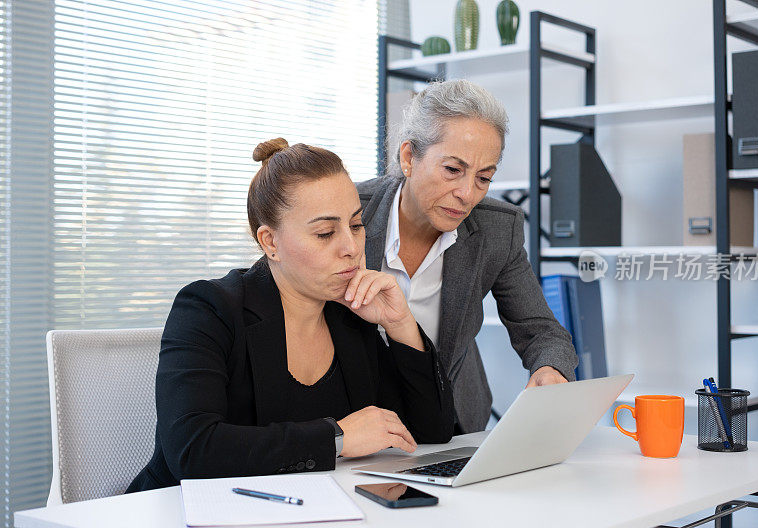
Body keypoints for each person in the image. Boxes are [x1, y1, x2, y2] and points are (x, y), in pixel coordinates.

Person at [127, 138, 454, 492]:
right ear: (270, 242)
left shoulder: (349, 313)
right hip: (182, 513)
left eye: (356, 225)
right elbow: (192, 450)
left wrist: (400, 324)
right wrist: (338, 437)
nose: (350, 247)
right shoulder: (209, 308)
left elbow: (430, 432)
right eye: (325, 233)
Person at [358, 79, 578, 433]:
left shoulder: (496, 229)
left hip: (451, 421)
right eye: (452, 170)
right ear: (409, 157)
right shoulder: (350, 213)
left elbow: (542, 332)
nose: (466, 194)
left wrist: (549, 369)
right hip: (358, 419)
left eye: (484, 177)